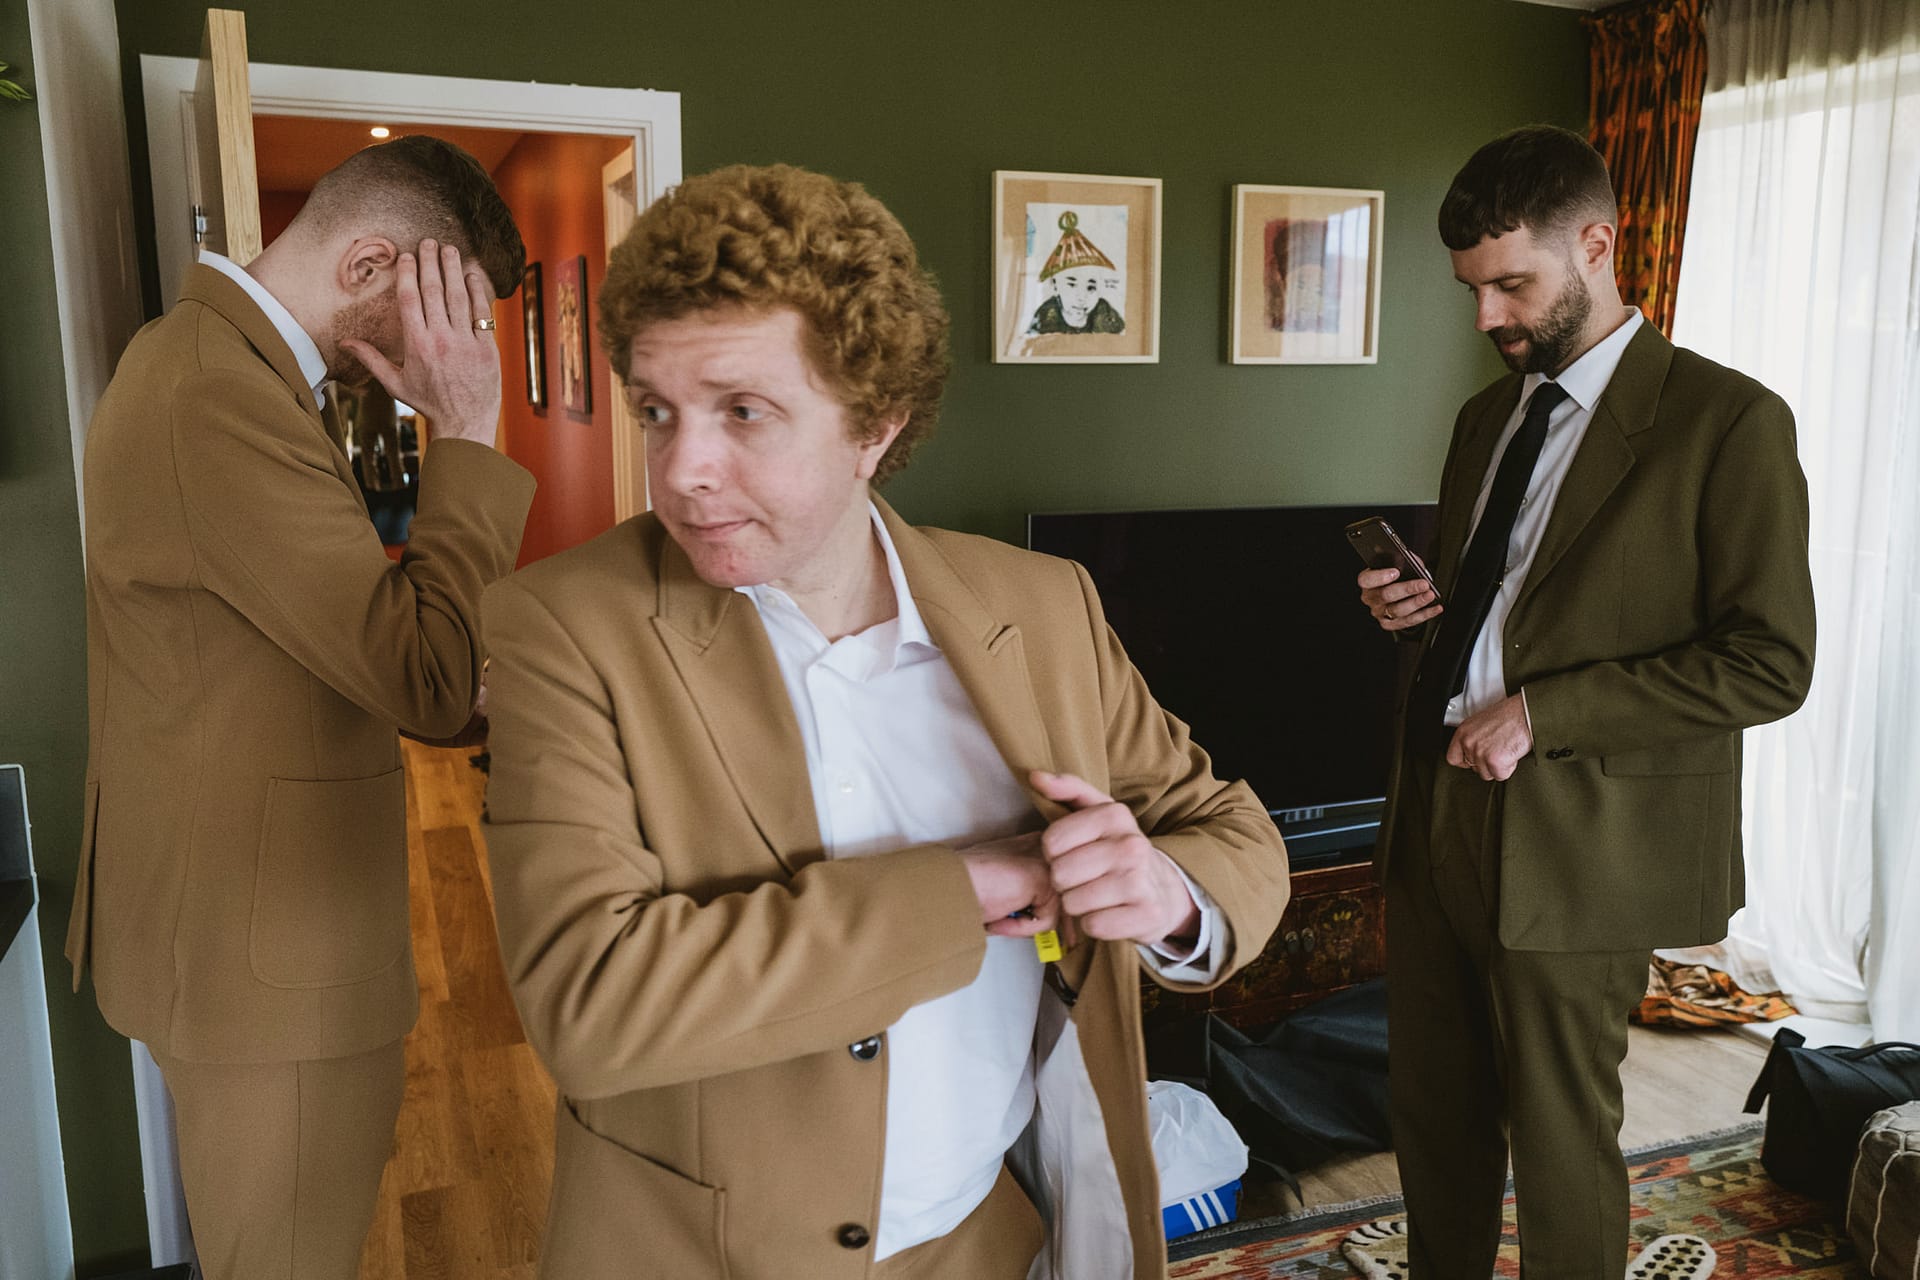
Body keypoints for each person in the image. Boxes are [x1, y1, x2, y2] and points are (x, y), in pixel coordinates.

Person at [481, 163, 1291, 1280]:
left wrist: (1165, 889)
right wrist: (975, 886)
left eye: (743, 412)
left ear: (876, 424)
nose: (679, 470)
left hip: (990, 1240)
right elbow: (591, 1002)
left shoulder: (1040, 603)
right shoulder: (563, 628)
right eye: (657, 410)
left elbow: (1229, 829)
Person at [66, 135, 536, 1280]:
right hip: (262, 959)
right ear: (374, 262)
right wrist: (469, 427)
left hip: (241, 920)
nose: (447, 351)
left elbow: (296, 633)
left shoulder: (216, 367)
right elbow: (422, 678)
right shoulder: (212, 391)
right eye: (448, 313)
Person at [1358, 125, 1815, 1276]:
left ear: (1601, 245)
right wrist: (1428, 615)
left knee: (1563, 1142)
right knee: (1436, 1120)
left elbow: (1771, 660)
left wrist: (1545, 710)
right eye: (1472, 289)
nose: (1487, 318)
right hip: (1435, 810)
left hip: (1580, 835)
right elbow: (1512, 603)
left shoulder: (1730, 423)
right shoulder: (1484, 417)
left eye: (1512, 283)